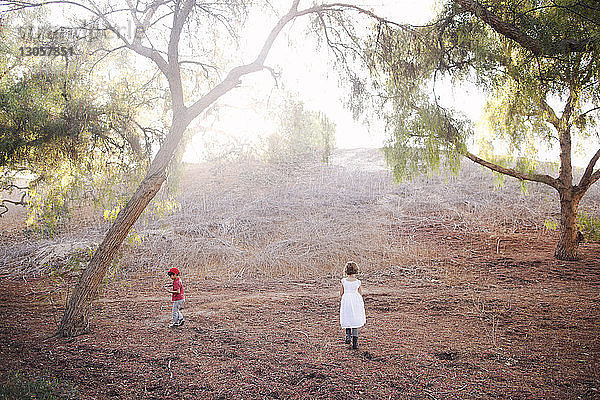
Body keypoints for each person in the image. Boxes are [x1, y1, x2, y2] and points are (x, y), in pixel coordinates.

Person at [339, 261, 366, 349]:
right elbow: (361, 293)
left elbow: (341, 293)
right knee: (354, 319)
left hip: (346, 300)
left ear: (346, 270)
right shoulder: (358, 282)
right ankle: (355, 342)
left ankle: (348, 335)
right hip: (355, 300)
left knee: (347, 317)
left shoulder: (344, 281)